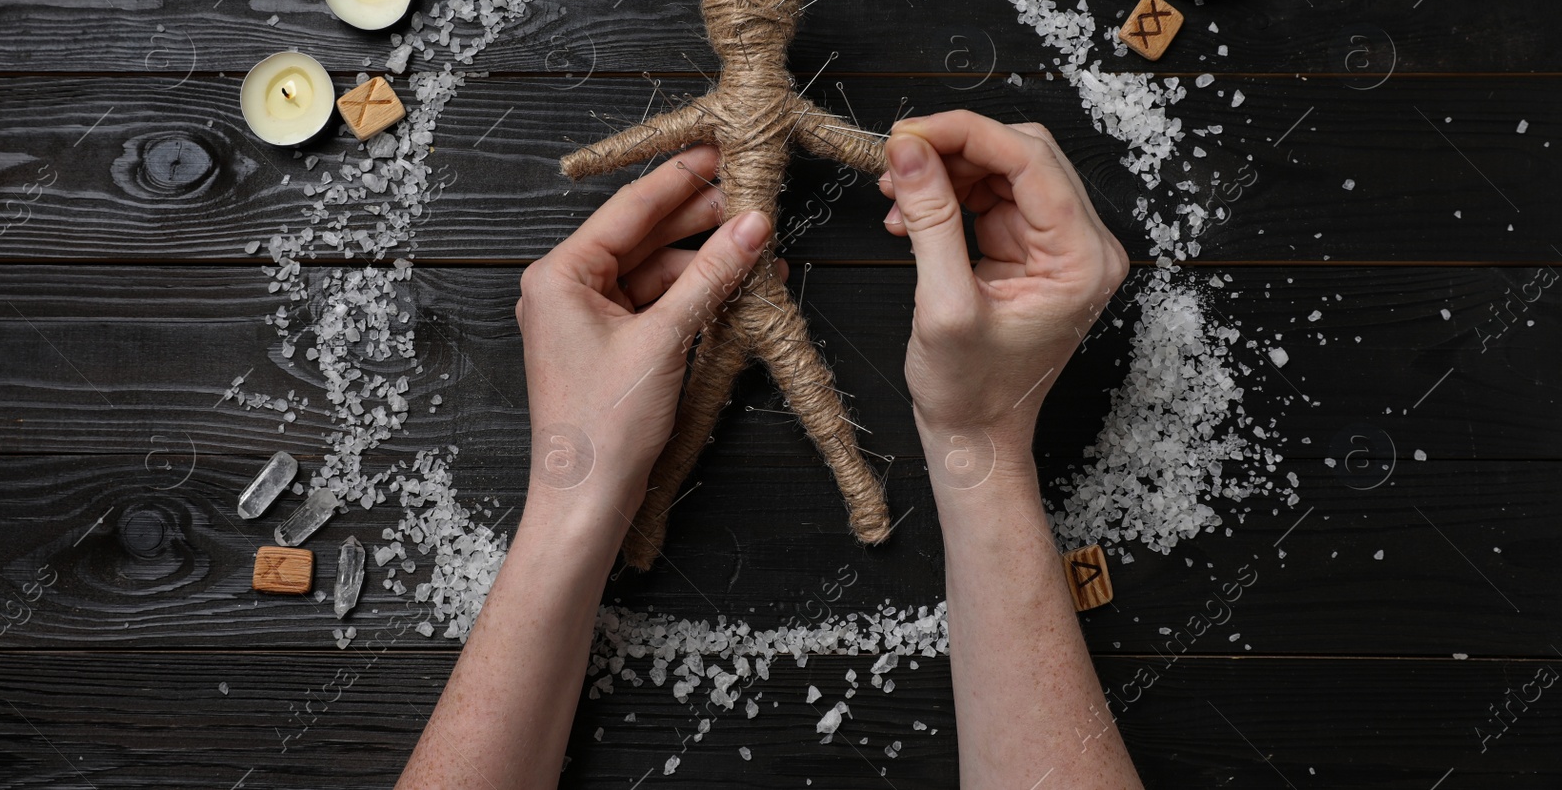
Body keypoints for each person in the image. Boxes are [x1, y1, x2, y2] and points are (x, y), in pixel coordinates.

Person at [397, 110, 1143, 789]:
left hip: (754, 294)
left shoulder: (761, 108)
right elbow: (811, 140)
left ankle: (758, 510)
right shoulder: (741, 112)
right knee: (738, 413)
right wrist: (978, 436)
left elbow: (817, 139)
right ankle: (738, 512)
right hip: (748, 292)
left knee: (791, 404)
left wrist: (575, 489)